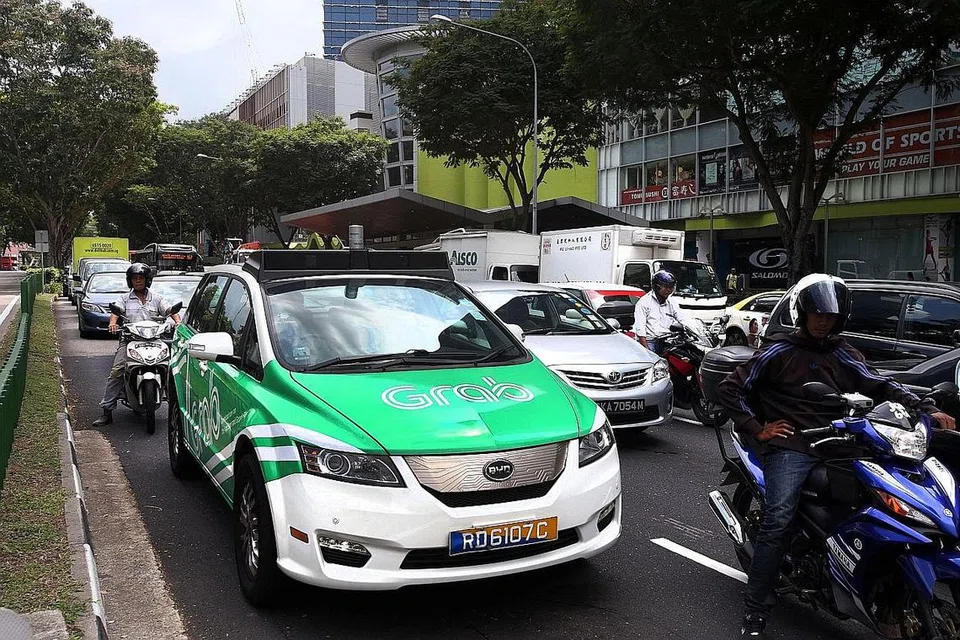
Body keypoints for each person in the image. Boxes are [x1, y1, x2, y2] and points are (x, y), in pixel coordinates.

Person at [717, 273, 955, 638]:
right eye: (817, 313)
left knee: (877, 507)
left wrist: (924, 406)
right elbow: (730, 389)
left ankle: (858, 575)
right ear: (804, 313)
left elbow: (880, 384)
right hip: (793, 446)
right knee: (778, 520)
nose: (823, 320)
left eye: (830, 315)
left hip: (841, 445)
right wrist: (757, 427)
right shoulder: (779, 351)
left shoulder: (844, 353)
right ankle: (755, 612)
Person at [92, 263, 181, 426]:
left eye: (141, 278)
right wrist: (113, 323)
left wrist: (177, 322)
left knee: (171, 370)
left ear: (147, 280)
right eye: (135, 279)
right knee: (117, 371)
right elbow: (116, 312)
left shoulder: (157, 298)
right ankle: (107, 410)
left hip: (155, 340)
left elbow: (169, 310)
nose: (138, 281)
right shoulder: (124, 298)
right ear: (130, 281)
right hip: (130, 341)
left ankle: (178, 410)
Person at [633, 270, 688, 355]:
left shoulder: (671, 302)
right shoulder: (644, 302)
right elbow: (640, 329)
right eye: (666, 287)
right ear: (656, 287)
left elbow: (682, 318)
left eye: (671, 287)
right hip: (650, 340)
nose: (669, 290)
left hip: (667, 340)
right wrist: (646, 351)